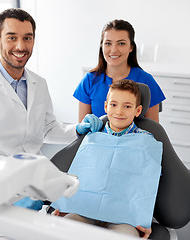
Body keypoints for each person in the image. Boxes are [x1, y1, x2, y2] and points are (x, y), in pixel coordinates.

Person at [0, 8, 102, 240]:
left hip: (35, 186)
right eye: (12, 37)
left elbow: (47, 128)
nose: (21, 46)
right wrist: (2, 191)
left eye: (27, 38)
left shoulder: (38, 84)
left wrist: (76, 129)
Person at [52, 80, 163, 239]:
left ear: (138, 110)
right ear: (106, 107)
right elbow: (79, 174)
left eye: (127, 106)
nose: (119, 111)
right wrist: (66, 204)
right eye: (113, 105)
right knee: (64, 230)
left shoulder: (146, 142)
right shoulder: (93, 136)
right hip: (85, 209)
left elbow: (147, 182)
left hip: (123, 217)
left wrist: (143, 219)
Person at [73, 19, 165, 123]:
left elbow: (154, 131)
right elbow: (82, 130)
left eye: (121, 43)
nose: (113, 50)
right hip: (97, 139)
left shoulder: (146, 80)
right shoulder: (89, 80)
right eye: (108, 43)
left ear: (131, 47)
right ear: (101, 46)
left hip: (134, 139)